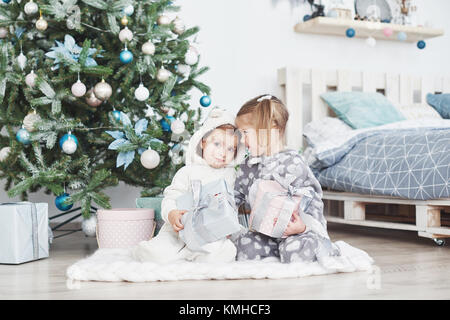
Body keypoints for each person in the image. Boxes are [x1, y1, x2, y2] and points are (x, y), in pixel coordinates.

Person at [233, 94, 341, 264]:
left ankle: (322, 247)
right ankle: (275, 253)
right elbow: (235, 196)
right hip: (265, 232)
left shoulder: (293, 162)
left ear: (271, 128)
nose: (242, 140)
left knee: (296, 252)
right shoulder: (248, 165)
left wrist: (304, 227)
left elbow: (312, 199)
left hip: (296, 230)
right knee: (245, 248)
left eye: (245, 133)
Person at [132, 107, 246, 264]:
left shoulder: (231, 175)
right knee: (157, 251)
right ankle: (173, 252)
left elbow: (233, 204)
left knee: (223, 252)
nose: (223, 153)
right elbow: (171, 196)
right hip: (178, 229)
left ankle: (193, 254)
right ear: (203, 143)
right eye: (217, 144)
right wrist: (171, 214)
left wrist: (227, 225)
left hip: (209, 230)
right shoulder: (188, 171)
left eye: (230, 148)